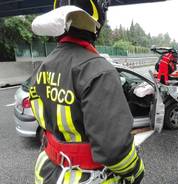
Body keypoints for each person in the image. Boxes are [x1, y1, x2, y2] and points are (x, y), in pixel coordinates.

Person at [29, 0, 144, 183]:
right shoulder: (99, 70)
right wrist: (136, 169)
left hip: (47, 171)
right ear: (96, 26)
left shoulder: (44, 65)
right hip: (88, 177)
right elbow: (114, 150)